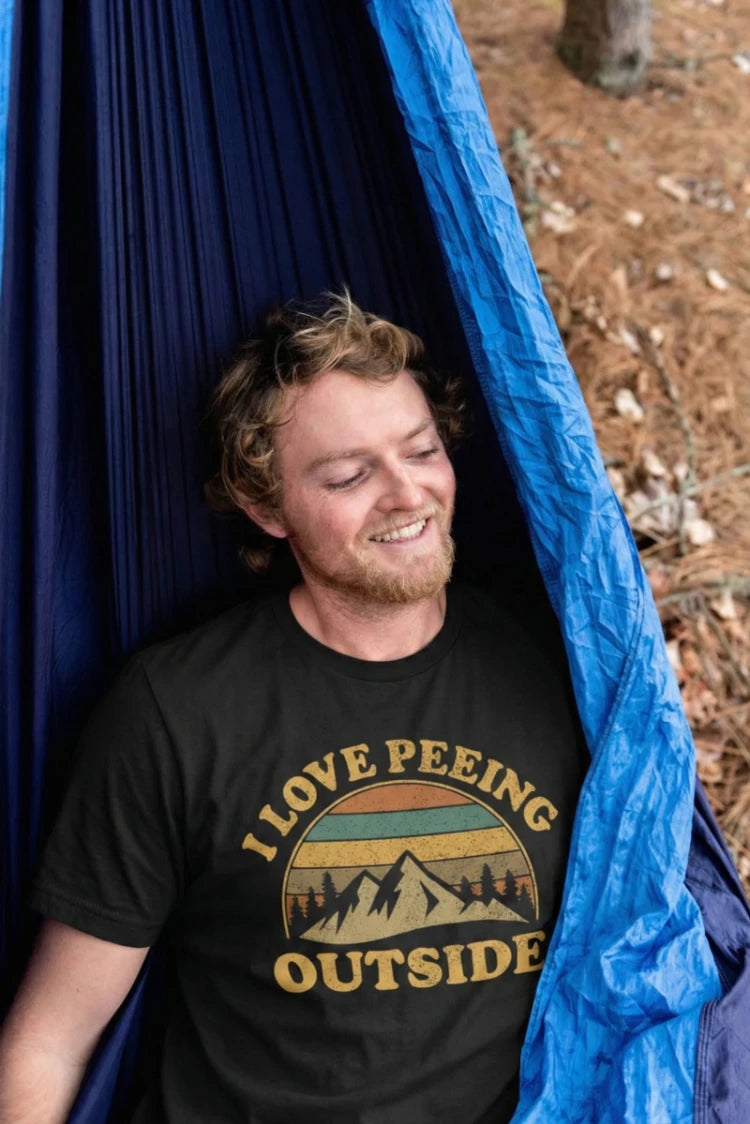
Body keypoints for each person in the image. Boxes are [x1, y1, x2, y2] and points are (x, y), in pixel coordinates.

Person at [0, 293, 587, 1123]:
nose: (405, 494)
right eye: (348, 475)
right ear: (268, 509)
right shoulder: (178, 711)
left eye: (421, 451)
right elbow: (48, 1041)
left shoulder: (562, 670)